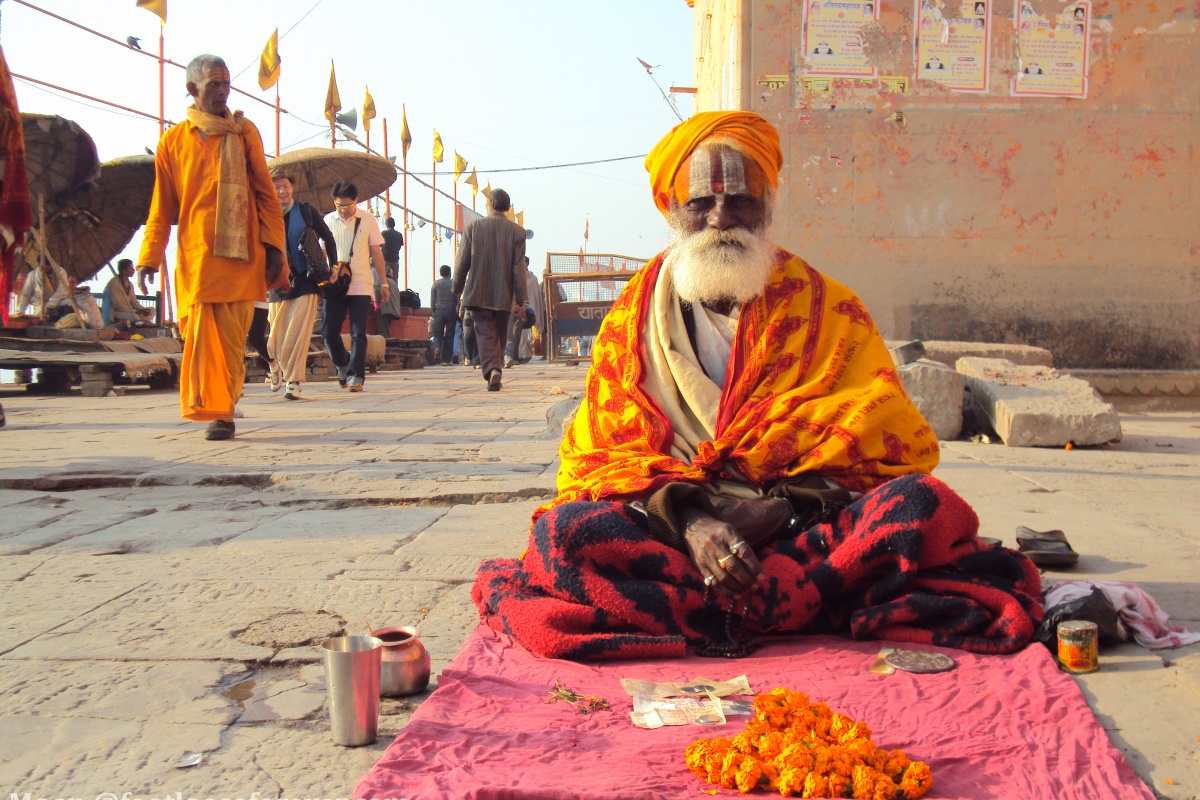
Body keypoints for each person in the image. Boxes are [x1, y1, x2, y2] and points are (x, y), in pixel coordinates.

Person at [472, 111, 1043, 662]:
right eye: (701, 203)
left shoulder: (830, 310)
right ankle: (800, 606)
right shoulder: (630, 319)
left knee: (921, 506)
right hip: (672, 534)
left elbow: (883, 446)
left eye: (740, 199)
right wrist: (694, 521)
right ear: (673, 210)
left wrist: (776, 512)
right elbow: (601, 460)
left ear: (765, 207)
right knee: (565, 535)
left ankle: (696, 611)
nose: (722, 218)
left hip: (800, 531)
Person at [138, 54, 286, 440]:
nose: (222, 92)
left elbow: (266, 195)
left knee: (233, 341)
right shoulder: (172, 143)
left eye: (226, 85)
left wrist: (274, 246)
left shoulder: (244, 132)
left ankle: (225, 412)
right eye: (213, 86)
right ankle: (219, 406)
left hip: (242, 256)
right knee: (203, 339)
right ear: (193, 90)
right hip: (196, 259)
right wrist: (148, 257)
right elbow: (161, 207)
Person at [267, 172, 336, 400]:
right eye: (276, 187)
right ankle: (276, 367)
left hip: (305, 279)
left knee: (298, 334)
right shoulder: (264, 213)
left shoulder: (306, 212)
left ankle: (293, 382)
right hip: (276, 281)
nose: (281, 192)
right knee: (275, 337)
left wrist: (333, 265)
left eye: (285, 186)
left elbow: (328, 237)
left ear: (292, 188)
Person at [452, 188, 526, 391]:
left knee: (485, 333)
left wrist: (457, 288)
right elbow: (518, 267)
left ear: (491, 204)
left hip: (478, 291)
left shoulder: (473, 227)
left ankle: (493, 369)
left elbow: (462, 262)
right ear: (507, 208)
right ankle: (496, 369)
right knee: (501, 334)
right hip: (504, 293)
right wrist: (521, 298)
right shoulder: (517, 232)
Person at [322, 181, 387, 392]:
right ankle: (342, 364)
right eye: (339, 205)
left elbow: (376, 253)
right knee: (328, 332)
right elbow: (321, 252)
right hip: (335, 284)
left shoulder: (367, 220)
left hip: (361, 281)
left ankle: (356, 376)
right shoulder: (327, 220)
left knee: (358, 332)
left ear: (356, 201)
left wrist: (383, 283)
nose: (343, 210)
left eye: (347, 206)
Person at [103, 259, 155, 326]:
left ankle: (141, 322)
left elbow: (134, 302)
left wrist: (144, 310)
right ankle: (141, 323)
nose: (133, 270)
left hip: (131, 312)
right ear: (124, 270)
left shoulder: (130, 284)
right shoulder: (114, 283)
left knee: (152, 310)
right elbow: (118, 305)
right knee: (135, 317)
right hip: (117, 313)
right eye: (131, 268)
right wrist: (135, 312)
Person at [430, 264, 457, 365]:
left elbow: (433, 299)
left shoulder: (435, 284)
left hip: (439, 311)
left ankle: (437, 347)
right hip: (451, 310)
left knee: (437, 334)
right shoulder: (453, 283)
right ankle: (446, 360)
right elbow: (457, 299)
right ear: (449, 273)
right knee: (449, 335)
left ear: (440, 273)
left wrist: (434, 310)